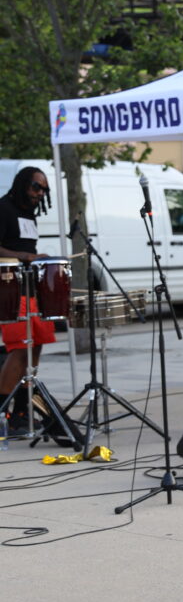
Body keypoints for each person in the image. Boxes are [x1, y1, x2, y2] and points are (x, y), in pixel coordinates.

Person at [0, 167, 56, 433]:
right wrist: (26, 257)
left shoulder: (30, 214)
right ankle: (3, 413)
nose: (40, 193)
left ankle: (22, 413)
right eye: (36, 187)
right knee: (20, 349)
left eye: (44, 189)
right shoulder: (4, 208)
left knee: (36, 347)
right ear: (23, 184)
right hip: (9, 288)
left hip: (32, 287)